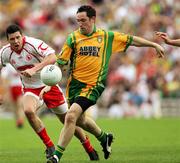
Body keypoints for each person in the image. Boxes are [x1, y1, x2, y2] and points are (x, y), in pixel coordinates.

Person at [44, 5, 165, 163]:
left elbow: (131, 40)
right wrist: (49, 83)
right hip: (74, 86)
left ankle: (56, 157)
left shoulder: (106, 37)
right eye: (78, 20)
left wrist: (153, 44)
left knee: (71, 116)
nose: (80, 23)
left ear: (93, 19)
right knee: (80, 121)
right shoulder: (72, 38)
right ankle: (104, 137)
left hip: (94, 85)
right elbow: (60, 64)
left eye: (83, 20)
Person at [0, 24, 99, 161]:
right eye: (12, 39)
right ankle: (50, 146)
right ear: (8, 40)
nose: (16, 41)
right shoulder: (5, 52)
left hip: (48, 85)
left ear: (22, 36)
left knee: (68, 120)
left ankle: (89, 148)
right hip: (30, 88)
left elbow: (53, 57)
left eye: (18, 37)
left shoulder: (33, 44)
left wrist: (35, 69)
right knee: (28, 111)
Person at [1, 63, 24, 128]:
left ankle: (20, 120)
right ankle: (17, 120)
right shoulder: (8, 66)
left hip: (20, 86)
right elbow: (4, 77)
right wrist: (5, 89)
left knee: (20, 104)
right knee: (14, 106)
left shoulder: (20, 62)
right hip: (11, 87)